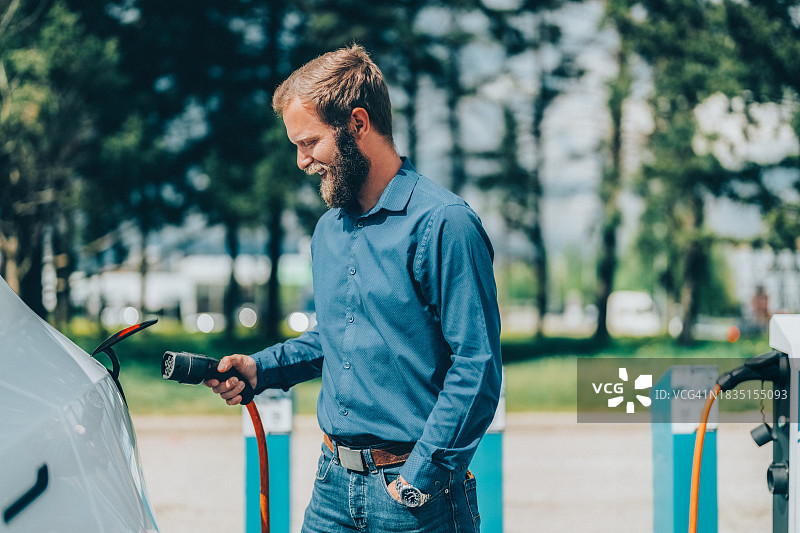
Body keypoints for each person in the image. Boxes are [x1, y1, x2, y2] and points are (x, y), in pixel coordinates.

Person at [205, 44, 502, 533]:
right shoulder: (329, 231)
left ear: (357, 124)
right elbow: (335, 340)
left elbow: (478, 367)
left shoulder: (444, 224)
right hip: (331, 490)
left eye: (310, 143)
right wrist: (261, 368)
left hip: (414, 500)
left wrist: (418, 479)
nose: (302, 162)